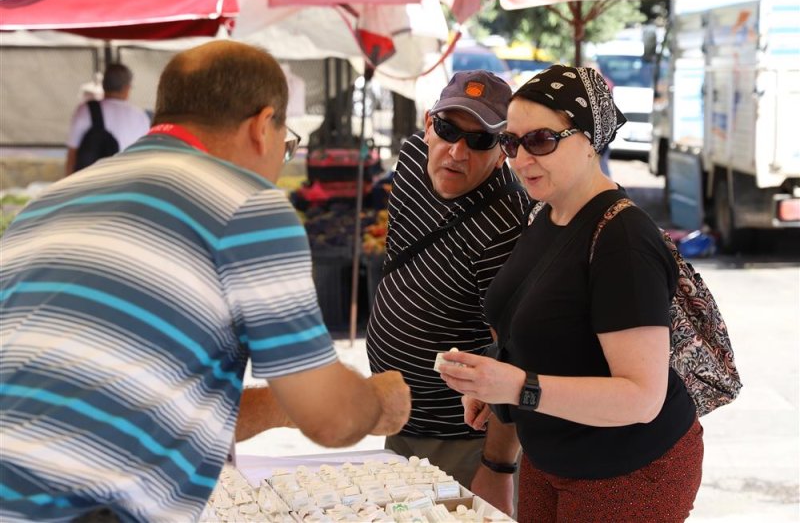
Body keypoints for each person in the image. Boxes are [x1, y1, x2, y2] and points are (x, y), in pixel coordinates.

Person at [0, 40, 411, 523]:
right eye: (287, 141)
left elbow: (154, 408)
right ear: (262, 126)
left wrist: (287, 405)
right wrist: (376, 402)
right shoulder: (246, 203)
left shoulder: (46, 205)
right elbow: (332, 419)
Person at [438, 65, 703, 522]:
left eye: (541, 140)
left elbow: (641, 398)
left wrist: (517, 387)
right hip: (552, 457)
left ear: (590, 141)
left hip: (631, 469)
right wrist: (491, 381)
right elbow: (537, 335)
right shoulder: (548, 214)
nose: (521, 159)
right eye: (511, 142)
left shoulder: (623, 238)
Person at [365, 70, 531, 514]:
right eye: (448, 129)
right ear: (427, 123)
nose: (456, 151)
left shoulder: (507, 222)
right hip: (400, 421)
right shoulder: (411, 162)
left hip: (457, 443)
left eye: (480, 141)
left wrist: (498, 467)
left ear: (503, 153)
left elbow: (514, 356)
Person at [64, 63, 151, 175]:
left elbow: (72, 156)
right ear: (127, 88)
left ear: (104, 85)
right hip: (126, 182)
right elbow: (145, 158)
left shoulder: (85, 110)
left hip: (89, 184)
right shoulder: (141, 117)